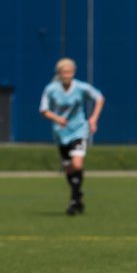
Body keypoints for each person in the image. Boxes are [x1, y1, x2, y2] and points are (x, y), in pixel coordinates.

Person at [38, 58, 104, 216]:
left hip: (79, 131)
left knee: (77, 164)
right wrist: (57, 118)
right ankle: (78, 195)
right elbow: (43, 110)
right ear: (59, 74)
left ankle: (74, 200)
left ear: (73, 73)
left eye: (69, 72)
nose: (67, 75)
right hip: (61, 133)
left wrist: (94, 118)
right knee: (68, 168)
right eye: (64, 72)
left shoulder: (81, 87)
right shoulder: (51, 89)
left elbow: (100, 98)